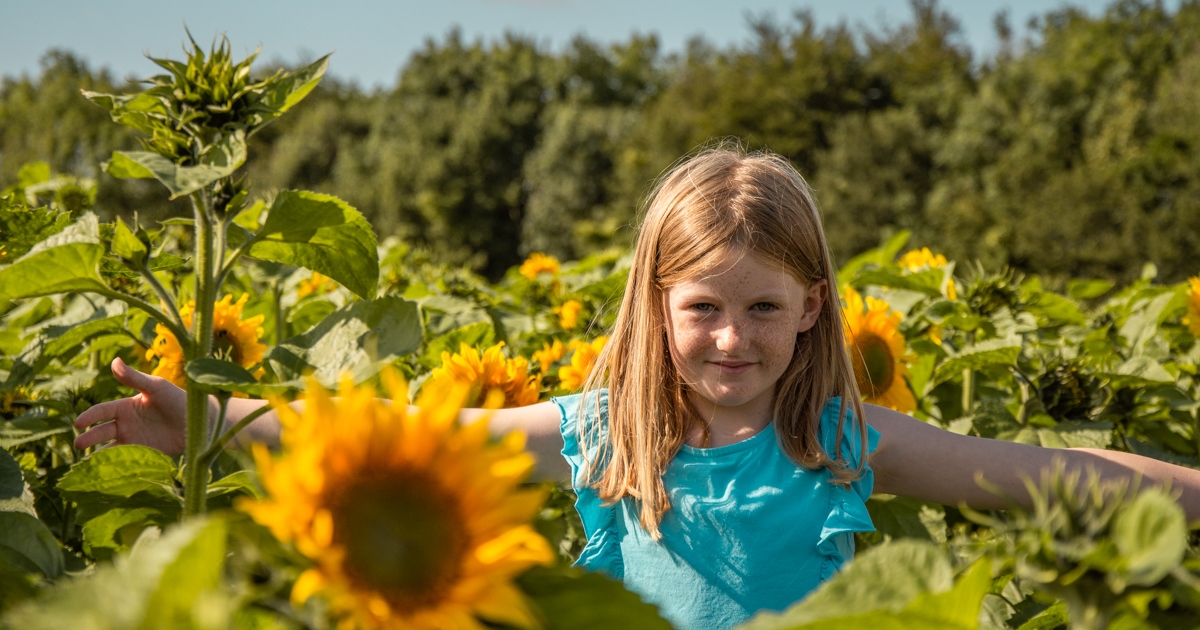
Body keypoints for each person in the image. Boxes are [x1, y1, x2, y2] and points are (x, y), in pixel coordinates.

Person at [75, 146, 1200, 630]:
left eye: (763, 308)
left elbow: (1043, 474)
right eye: (702, 308)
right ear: (655, 308)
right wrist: (211, 421)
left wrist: (1185, 494)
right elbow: (395, 433)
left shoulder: (839, 437)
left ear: (815, 309)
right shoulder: (598, 433)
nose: (730, 339)